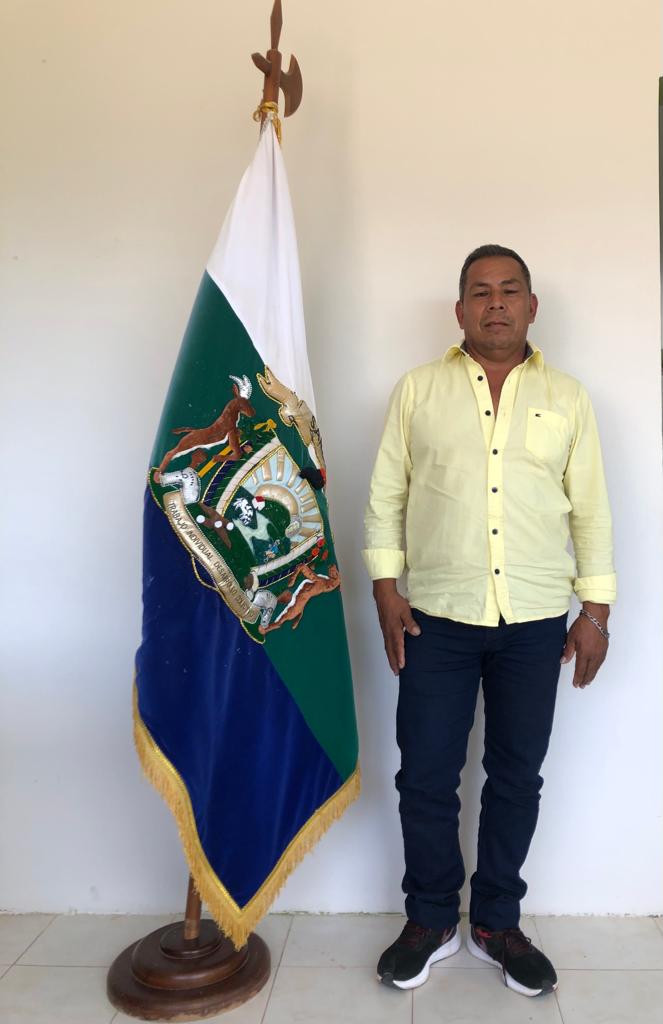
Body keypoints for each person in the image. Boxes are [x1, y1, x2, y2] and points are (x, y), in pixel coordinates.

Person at [363, 244, 616, 997]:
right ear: (460, 310)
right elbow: (386, 496)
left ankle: (497, 923)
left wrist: (595, 610)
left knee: (515, 777)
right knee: (425, 776)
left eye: (509, 290)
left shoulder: (567, 397)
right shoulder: (417, 390)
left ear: (531, 307)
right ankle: (431, 918)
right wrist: (385, 589)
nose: (495, 303)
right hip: (435, 619)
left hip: (535, 621)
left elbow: (590, 509)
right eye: (480, 291)